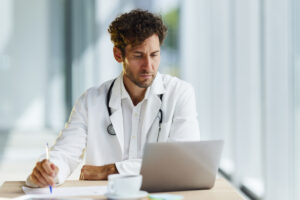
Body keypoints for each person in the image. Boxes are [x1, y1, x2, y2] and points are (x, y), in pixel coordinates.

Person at [26, 9, 200, 188]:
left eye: (154, 55)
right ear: (118, 55)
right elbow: (65, 152)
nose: (148, 66)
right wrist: (50, 170)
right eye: (138, 56)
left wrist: (109, 170)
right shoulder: (91, 101)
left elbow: (183, 162)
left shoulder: (180, 94)